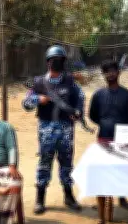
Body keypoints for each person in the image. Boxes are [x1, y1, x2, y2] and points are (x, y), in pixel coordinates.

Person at [23, 45, 85, 214]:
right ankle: (40, 199)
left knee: (66, 164)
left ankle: (68, 196)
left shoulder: (70, 81)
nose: (56, 62)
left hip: (66, 129)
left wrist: (78, 113)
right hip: (46, 129)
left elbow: (80, 98)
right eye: (53, 60)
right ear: (48, 62)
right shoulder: (38, 82)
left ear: (64, 62)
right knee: (44, 163)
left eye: (60, 60)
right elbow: (26, 104)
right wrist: (38, 99)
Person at [89, 61, 128, 210]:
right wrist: (105, 123)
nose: (110, 74)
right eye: (106, 71)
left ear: (118, 72)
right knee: (103, 169)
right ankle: (101, 200)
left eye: (112, 71)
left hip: (122, 139)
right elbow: (92, 115)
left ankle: (122, 199)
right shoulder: (98, 95)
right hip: (104, 136)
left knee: (122, 168)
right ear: (103, 74)